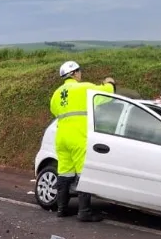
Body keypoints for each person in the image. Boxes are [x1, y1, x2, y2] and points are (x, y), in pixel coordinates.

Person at [49, 60, 116, 222]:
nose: (81, 74)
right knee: (83, 174)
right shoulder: (83, 87)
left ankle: (61, 209)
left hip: (61, 137)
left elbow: (54, 110)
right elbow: (106, 94)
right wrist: (110, 83)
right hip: (79, 137)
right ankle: (84, 212)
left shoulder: (57, 93)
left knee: (64, 173)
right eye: (79, 71)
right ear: (74, 73)